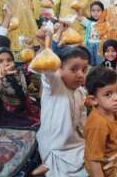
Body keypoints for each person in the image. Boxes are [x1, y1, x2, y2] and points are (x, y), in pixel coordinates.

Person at [33, 37, 90, 176]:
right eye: (74, 69)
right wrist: (43, 46)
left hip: (75, 141)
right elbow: (47, 70)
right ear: (59, 70)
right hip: (56, 147)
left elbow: (83, 120)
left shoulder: (80, 91)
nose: (80, 75)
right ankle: (46, 165)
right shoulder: (55, 85)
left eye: (84, 69)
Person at [0, 47, 40, 132]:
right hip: (4, 119)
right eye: (0, 61)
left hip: (24, 111)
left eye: (9, 60)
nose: (6, 63)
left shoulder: (18, 73)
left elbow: (34, 64)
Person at [77, 1, 105, 66]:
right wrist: (77, 4)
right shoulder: (89, 22)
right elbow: (78, 16)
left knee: (99, 64)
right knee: (90, 63)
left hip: (100, 46)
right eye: (93, 11)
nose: (95, 13)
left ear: (103, 12)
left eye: (98, 10)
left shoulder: (105, 23)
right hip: (89, 45)